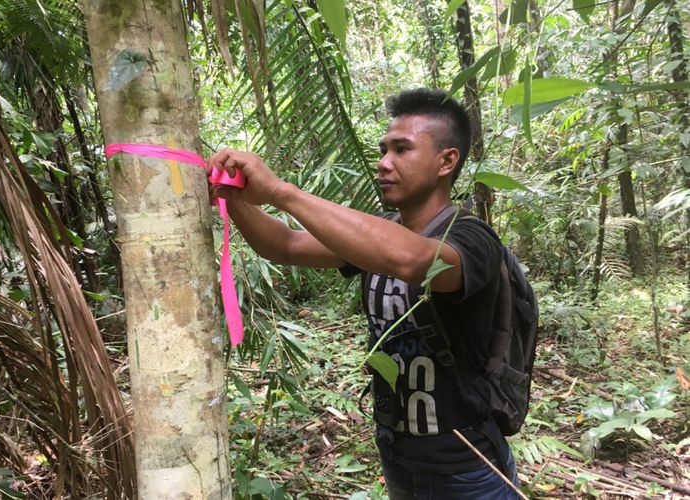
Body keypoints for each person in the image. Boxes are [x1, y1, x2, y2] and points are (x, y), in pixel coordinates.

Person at [207, 88, 519, 499]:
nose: (384, 163)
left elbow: (412, 260)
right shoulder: (378, 231)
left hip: (466, 462)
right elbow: (285, 245)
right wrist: (232, 196)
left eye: (401, 150)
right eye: (383, 149)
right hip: (398, 453)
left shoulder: (471, 238)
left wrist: (282, 192)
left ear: (447, 161)